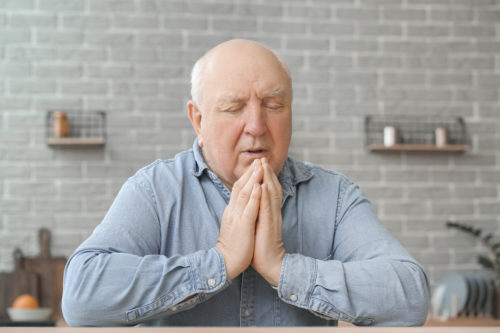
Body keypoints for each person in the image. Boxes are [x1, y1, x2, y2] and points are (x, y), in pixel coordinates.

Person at [62, 39, 430, 327]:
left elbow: (409, 295)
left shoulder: (334, 197)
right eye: (234, 107)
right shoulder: (155, 191)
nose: (256, 126)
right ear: (198, 120)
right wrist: (219, 261)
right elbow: (82, 298)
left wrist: (282, 267)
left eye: (273, 105)